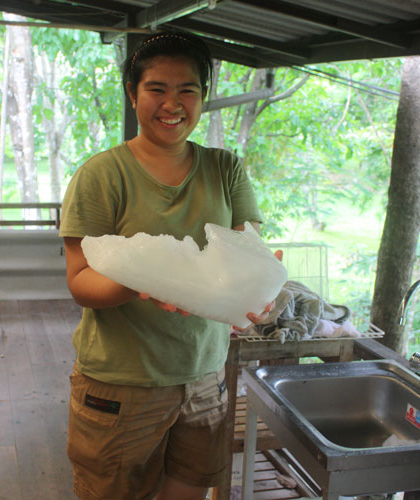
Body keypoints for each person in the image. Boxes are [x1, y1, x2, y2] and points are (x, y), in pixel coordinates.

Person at [59, 30, 272, 500]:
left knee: (190, 491)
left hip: (204, 376)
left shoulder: (226, 169)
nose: (172, 104)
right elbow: (79, 281)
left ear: (203, 96)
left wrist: (259, 281)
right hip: (121, 383)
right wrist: (143, 283)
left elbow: (245, 250)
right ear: (133, 93)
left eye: (187, 90)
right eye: (157, 88)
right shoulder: (101, 175)